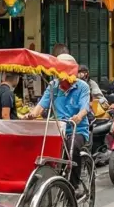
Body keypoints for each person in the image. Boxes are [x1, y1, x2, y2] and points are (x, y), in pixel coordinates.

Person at [26, 54, 91, 186]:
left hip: (76, 129)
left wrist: (78, 116)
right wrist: (31, 115)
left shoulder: (83, 86)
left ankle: (74, 185)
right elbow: (40, 107)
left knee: (71, 146)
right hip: (56, 129)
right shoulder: (53, 86)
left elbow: (85, 108)